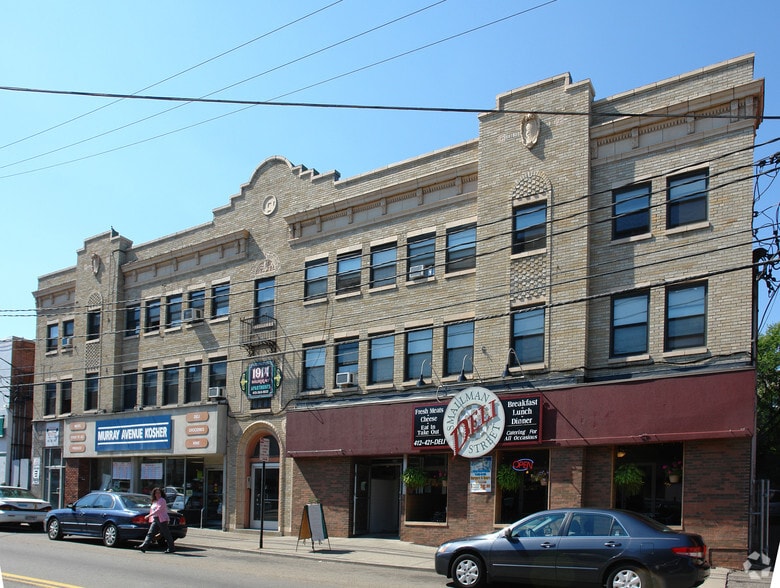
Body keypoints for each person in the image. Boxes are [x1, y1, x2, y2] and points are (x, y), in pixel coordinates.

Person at [136, 487, 175, 553]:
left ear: (161, 493)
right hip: (156, 519)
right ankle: (144, 546)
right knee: (150, 533)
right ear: (154, 494)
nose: (158, 494)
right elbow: (152, 510)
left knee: (166, 534)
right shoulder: (154, 501)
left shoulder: (162, 500)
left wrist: (148, 516)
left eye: (159, 493)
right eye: (156, 493)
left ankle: (171, 548)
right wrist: (151, 517)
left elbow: (158, 510)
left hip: (161, 519)